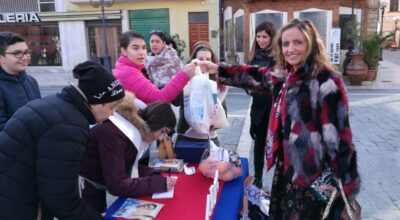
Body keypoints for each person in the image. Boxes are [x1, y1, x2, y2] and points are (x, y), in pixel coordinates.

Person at [203, 19, 360, 219]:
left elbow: (341, 140)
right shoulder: (288, 76)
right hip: (285, 171)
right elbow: (256, 76)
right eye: (285, 44)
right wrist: (218, 69)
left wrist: (346, 187)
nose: (290, 49)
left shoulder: (327, 81)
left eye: (297, 42)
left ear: (311, 44)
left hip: (312, 178)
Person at [0, 61, 125, 219]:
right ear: (95, 102)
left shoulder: (59, 105)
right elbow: (60, 197)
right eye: (111, 108)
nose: (111, 114)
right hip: (17, 204)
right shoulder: (70, 126)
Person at [80, 92, 177, 213]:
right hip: (84, 186)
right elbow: (117, 185)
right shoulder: (115, 134)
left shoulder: (129, 131)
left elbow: (126, 164)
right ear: (154, 121)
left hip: (96, 181)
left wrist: (152, 174)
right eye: (163, 131)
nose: (161, 138)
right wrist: (155, 183)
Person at [113, 31, 195, 105]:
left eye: (144, 48)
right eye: (135, 48)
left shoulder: (171, 58)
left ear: (164, 43)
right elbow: (159, 99)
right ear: (124, 51)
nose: (141, 52)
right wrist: (184, 75)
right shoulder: (129, 72)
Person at [177, 41, 228, 145]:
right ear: (193, 61)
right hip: (187, 135)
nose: (204, 62)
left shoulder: (216, 83)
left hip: (210, 137)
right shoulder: (185, 78)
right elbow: (176, 101)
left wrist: (215, 123)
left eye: (208, 59)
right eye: (200, 59)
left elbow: (221, 108)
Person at [247, 21, 277, 188]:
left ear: (272, 37)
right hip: (258, 107)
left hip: (274, 108)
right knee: (258, 144)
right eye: (258, 36)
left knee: (276, 145)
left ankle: (278, 181)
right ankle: (258, 177)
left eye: (264, 36)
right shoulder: (254, 58)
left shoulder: (278, 58)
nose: (260, 40)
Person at [0, 31, 41, 131]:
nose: (25, 57)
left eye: (27, 52)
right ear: (1, 58)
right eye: (17, 53)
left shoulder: (31, 81)